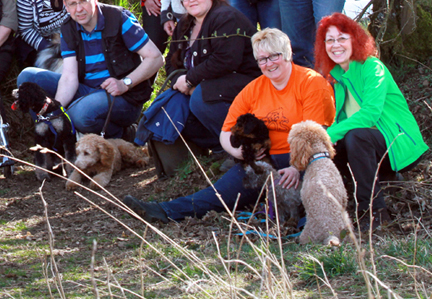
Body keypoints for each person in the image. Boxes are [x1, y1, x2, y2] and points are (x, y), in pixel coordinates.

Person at [122, 28, 335, 223]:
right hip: (264, 163)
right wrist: (238, 152)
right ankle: (165, 211)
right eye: (262, 59)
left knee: (315, 185)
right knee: (219, 193)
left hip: (303, 159)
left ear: (287, 54)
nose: (268, 64)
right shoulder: (254, 88)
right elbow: (226, 131)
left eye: (274, 56)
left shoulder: (311, 83)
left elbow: (315, 136)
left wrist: (296, 167)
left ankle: (311, 225)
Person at [314, 13, 428, 228]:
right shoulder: (336, 76)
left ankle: (374, 212)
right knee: (331, 150)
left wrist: (327, 135)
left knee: (355, 135)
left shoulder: (372, 67)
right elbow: (341, 122)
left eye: (342, 38)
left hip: (398, 144)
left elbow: (369, 115)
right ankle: (328, 212)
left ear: (355, 40)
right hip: (368, 148)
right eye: (329, 40)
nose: (335, 45)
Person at [16, 0, 163, 137]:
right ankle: (54, 136)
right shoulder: (68, 28)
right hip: (87, 90)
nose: (79, 9)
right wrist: (56, 109)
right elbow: (69, 77)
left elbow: (155, 58)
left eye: (83, 1)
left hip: (123, 97)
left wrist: (125, 83)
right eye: (72, 4)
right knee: (28, 79)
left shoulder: (119, 18)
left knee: (79, 113)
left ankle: (123, 134)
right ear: (66, 6)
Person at [165, 0, 261, 146]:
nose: (191, 0)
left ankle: (241, 144)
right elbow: (170, 62)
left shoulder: (225, 17)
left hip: (247, 81)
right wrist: (178, 82)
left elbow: (226, 60)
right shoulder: (185, 25)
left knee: (202, 97)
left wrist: (189, 80)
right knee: (172, 103)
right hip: (203, 84)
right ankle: (218, 146)